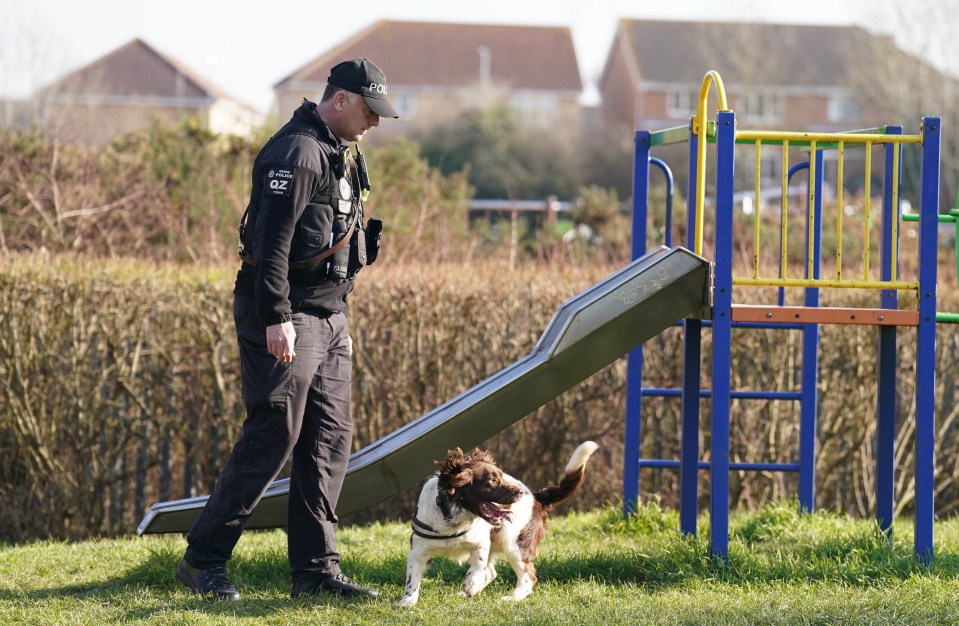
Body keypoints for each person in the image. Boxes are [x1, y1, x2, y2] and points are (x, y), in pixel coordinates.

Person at [175, 57, 398, 601]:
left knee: (328, 440)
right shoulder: (297, 152)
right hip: (286, 314)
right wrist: (277, 317)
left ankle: (316, 572)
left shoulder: (341, 152)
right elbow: (269, 245)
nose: (374, 122)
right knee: (274, 433)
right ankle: (203, 560)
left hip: (329, 315)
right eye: (369, 110)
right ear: (340, 99)